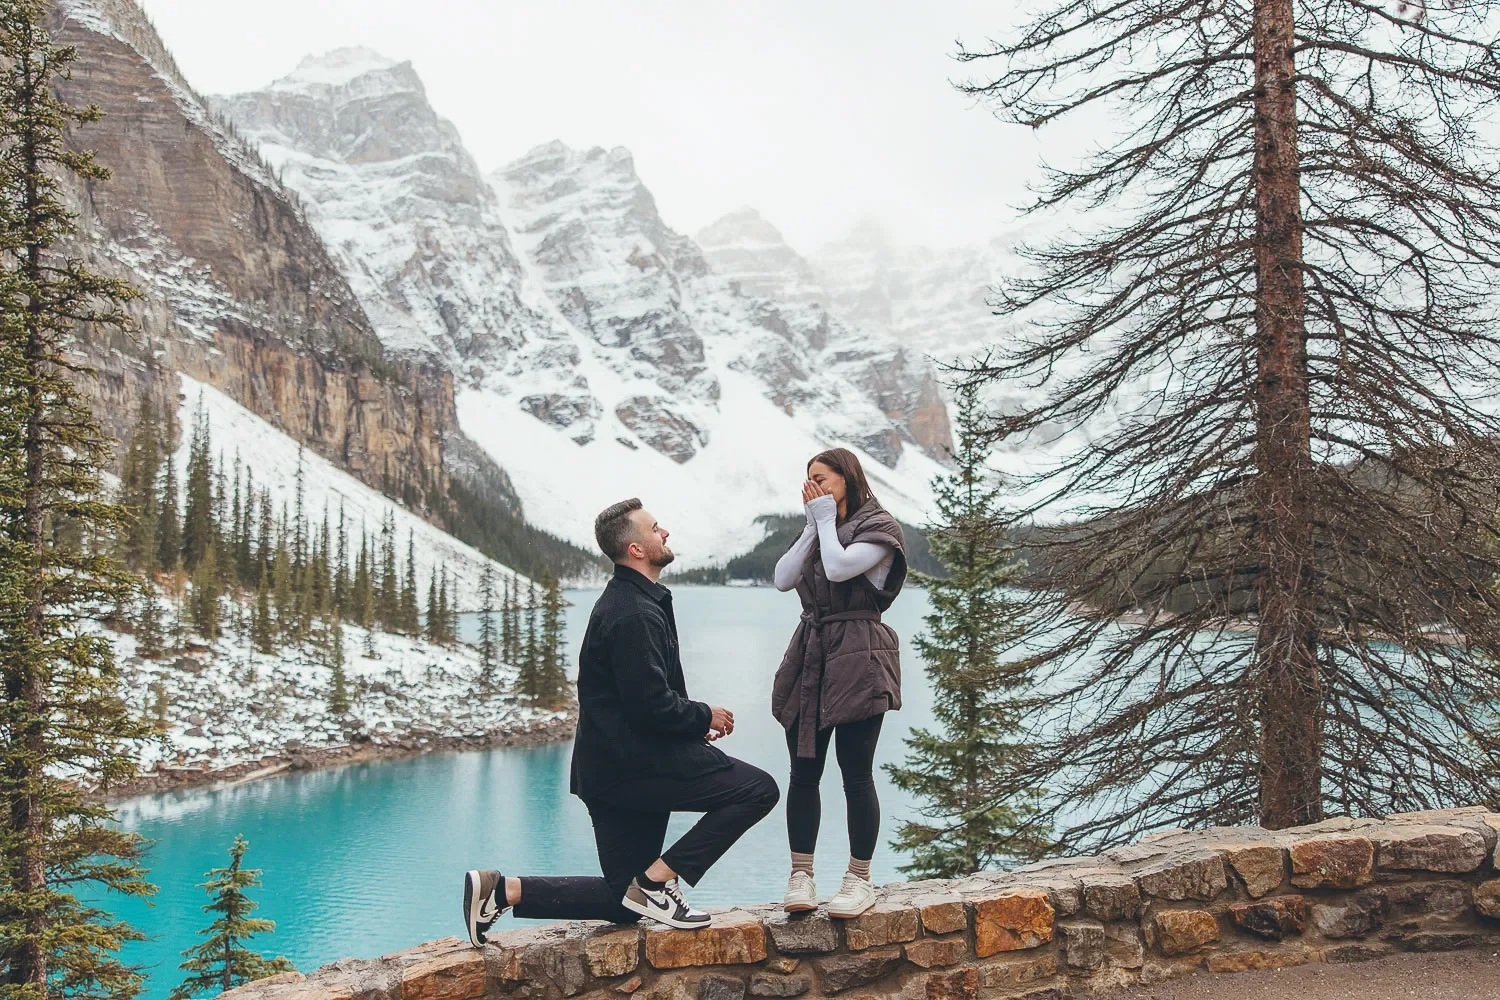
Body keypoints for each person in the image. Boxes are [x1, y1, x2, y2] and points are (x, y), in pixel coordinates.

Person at [462, 499, 780, 947]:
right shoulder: (634, 612)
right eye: (655, 529)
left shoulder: (633, 602)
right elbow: (649, 704)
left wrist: (687, 724)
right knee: (758, 790)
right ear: (635, 548)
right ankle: (656, 884)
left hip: (609, 771)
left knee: (623, 901)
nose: (664, 532)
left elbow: (637, 699)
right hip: (635, 769)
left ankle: (502, 891)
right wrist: (704, 714)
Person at [771, 448, 907, 919]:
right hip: (812, 653)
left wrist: (824, 522)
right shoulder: (819, 525)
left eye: (822, 478)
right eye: (808, 478)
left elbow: (837, 567)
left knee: (856, 774)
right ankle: (801, 876)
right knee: (803, 772)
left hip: (860, 655)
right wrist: (811, 525)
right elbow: (781, 579)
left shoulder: (881, 528)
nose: (814, 486)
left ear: (847, 478)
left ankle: (859, 878)